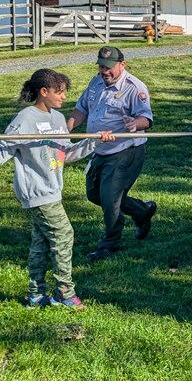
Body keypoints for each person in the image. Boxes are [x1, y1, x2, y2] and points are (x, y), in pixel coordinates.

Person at [0, 69, 114, 308]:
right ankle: (64, 292)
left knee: (41, 241)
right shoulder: (25, 119)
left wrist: (94, 140)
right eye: (58, 92)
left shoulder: (58, 119)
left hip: (53, 188)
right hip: (36, 191)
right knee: (64, 234)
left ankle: (35, 295)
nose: (63, 97)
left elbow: (67, 153)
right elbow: (5, 148)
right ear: (44, 92)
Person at [67, 46, 156, 262]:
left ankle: (109, 244)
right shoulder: (95, 82)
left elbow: (147, 118)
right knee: (94, 194)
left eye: (108, 67)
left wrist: (136, 123)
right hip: (99, 148)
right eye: (100, 66)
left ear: (122, 65)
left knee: (109, 197)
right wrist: (66, 127)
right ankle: (142, 211)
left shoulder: (134, 87)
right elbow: (82, 109)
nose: (104, 71)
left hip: (126, 150)